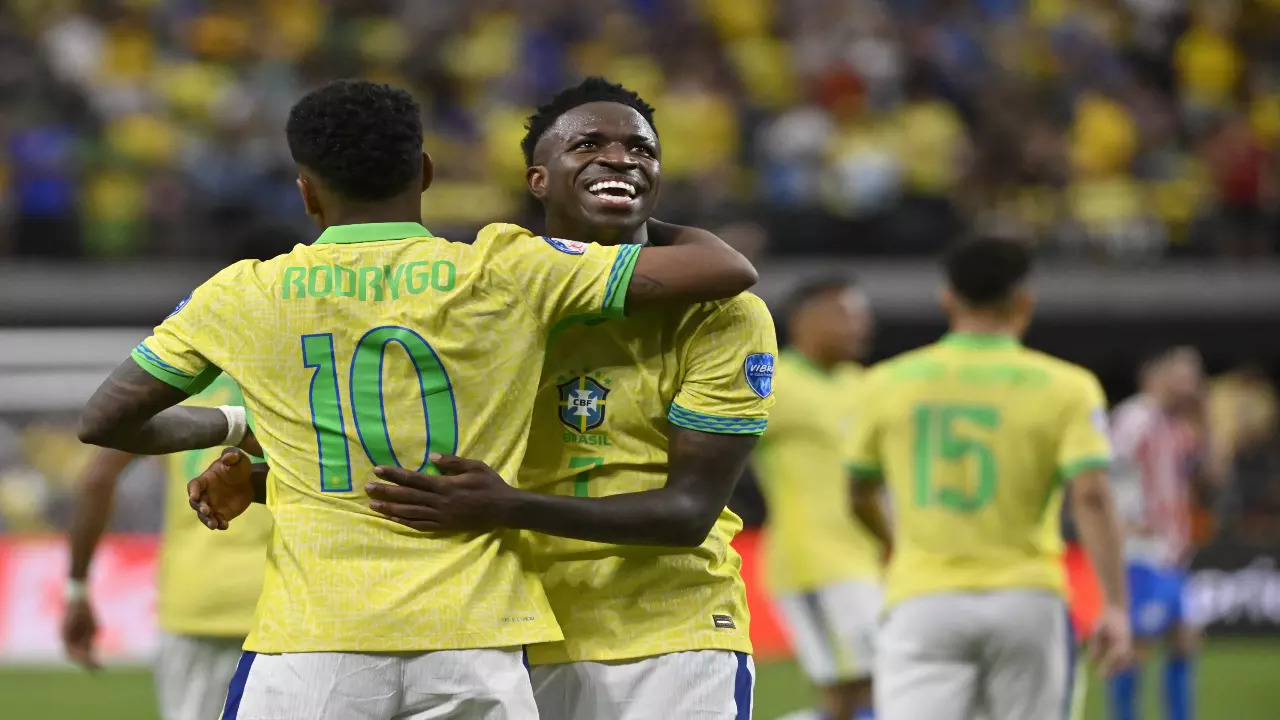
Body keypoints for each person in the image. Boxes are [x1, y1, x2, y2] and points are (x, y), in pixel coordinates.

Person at [76, 79, 757, 720]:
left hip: (642, 629)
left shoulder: (249, 290)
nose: (619, 160)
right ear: (428, 173)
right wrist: (263, 474)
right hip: (491, 633)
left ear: (306, 193)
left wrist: (235, 432)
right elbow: (411, 460)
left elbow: (106, 420)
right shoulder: (500, 275)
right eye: (590, 146)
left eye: (640, 150)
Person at [845, 237, 1133, 720]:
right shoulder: (1068, 386)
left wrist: (896, 542)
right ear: (1024, 301)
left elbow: (857, 492)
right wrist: (1116, 605)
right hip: (1027, 597)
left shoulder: (886, 382)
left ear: (947, 299)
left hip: (924, 598)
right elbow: (1093, 496)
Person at [62, 374, 270, 720]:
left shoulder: (183, 375)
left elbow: (96, 480)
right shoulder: (300, 371)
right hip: (287, 599)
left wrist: (77, 590)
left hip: (196, 603)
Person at [752, 277, 884, 720]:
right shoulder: (774, 383)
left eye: (862, 315)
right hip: (815, 562)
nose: (860, 326)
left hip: (870, 556)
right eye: (845, 315)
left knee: (866, 690)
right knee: (859, 686)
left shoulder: (863, 384)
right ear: (803, 321)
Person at [1108, 347, 1206, 720]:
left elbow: (1205, 470)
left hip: (1172, 549)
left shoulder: (1174, 424)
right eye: (1181, 374)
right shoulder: (1135, 417)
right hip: (1141, 549)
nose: (1188, 383)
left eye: (1193, 376)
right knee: (1136, 642)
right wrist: (1125, 518)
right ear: (1156, 375)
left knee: (1185, 640)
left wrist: (1202, 411)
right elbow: (1111, 467)